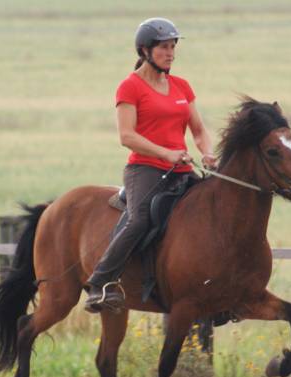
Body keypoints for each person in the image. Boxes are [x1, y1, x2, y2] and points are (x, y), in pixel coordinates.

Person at [85, 17, 217, 313]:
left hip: (182, 171)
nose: (170, 53)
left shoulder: (182, 86)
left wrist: (207, 152)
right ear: (145, 51)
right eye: (163, 48)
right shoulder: (130, 87)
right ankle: (100, 283)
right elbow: (126, 135)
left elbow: (197, 129)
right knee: (140, 219)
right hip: (145, 170)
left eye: (172, 47)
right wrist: (166, 153)